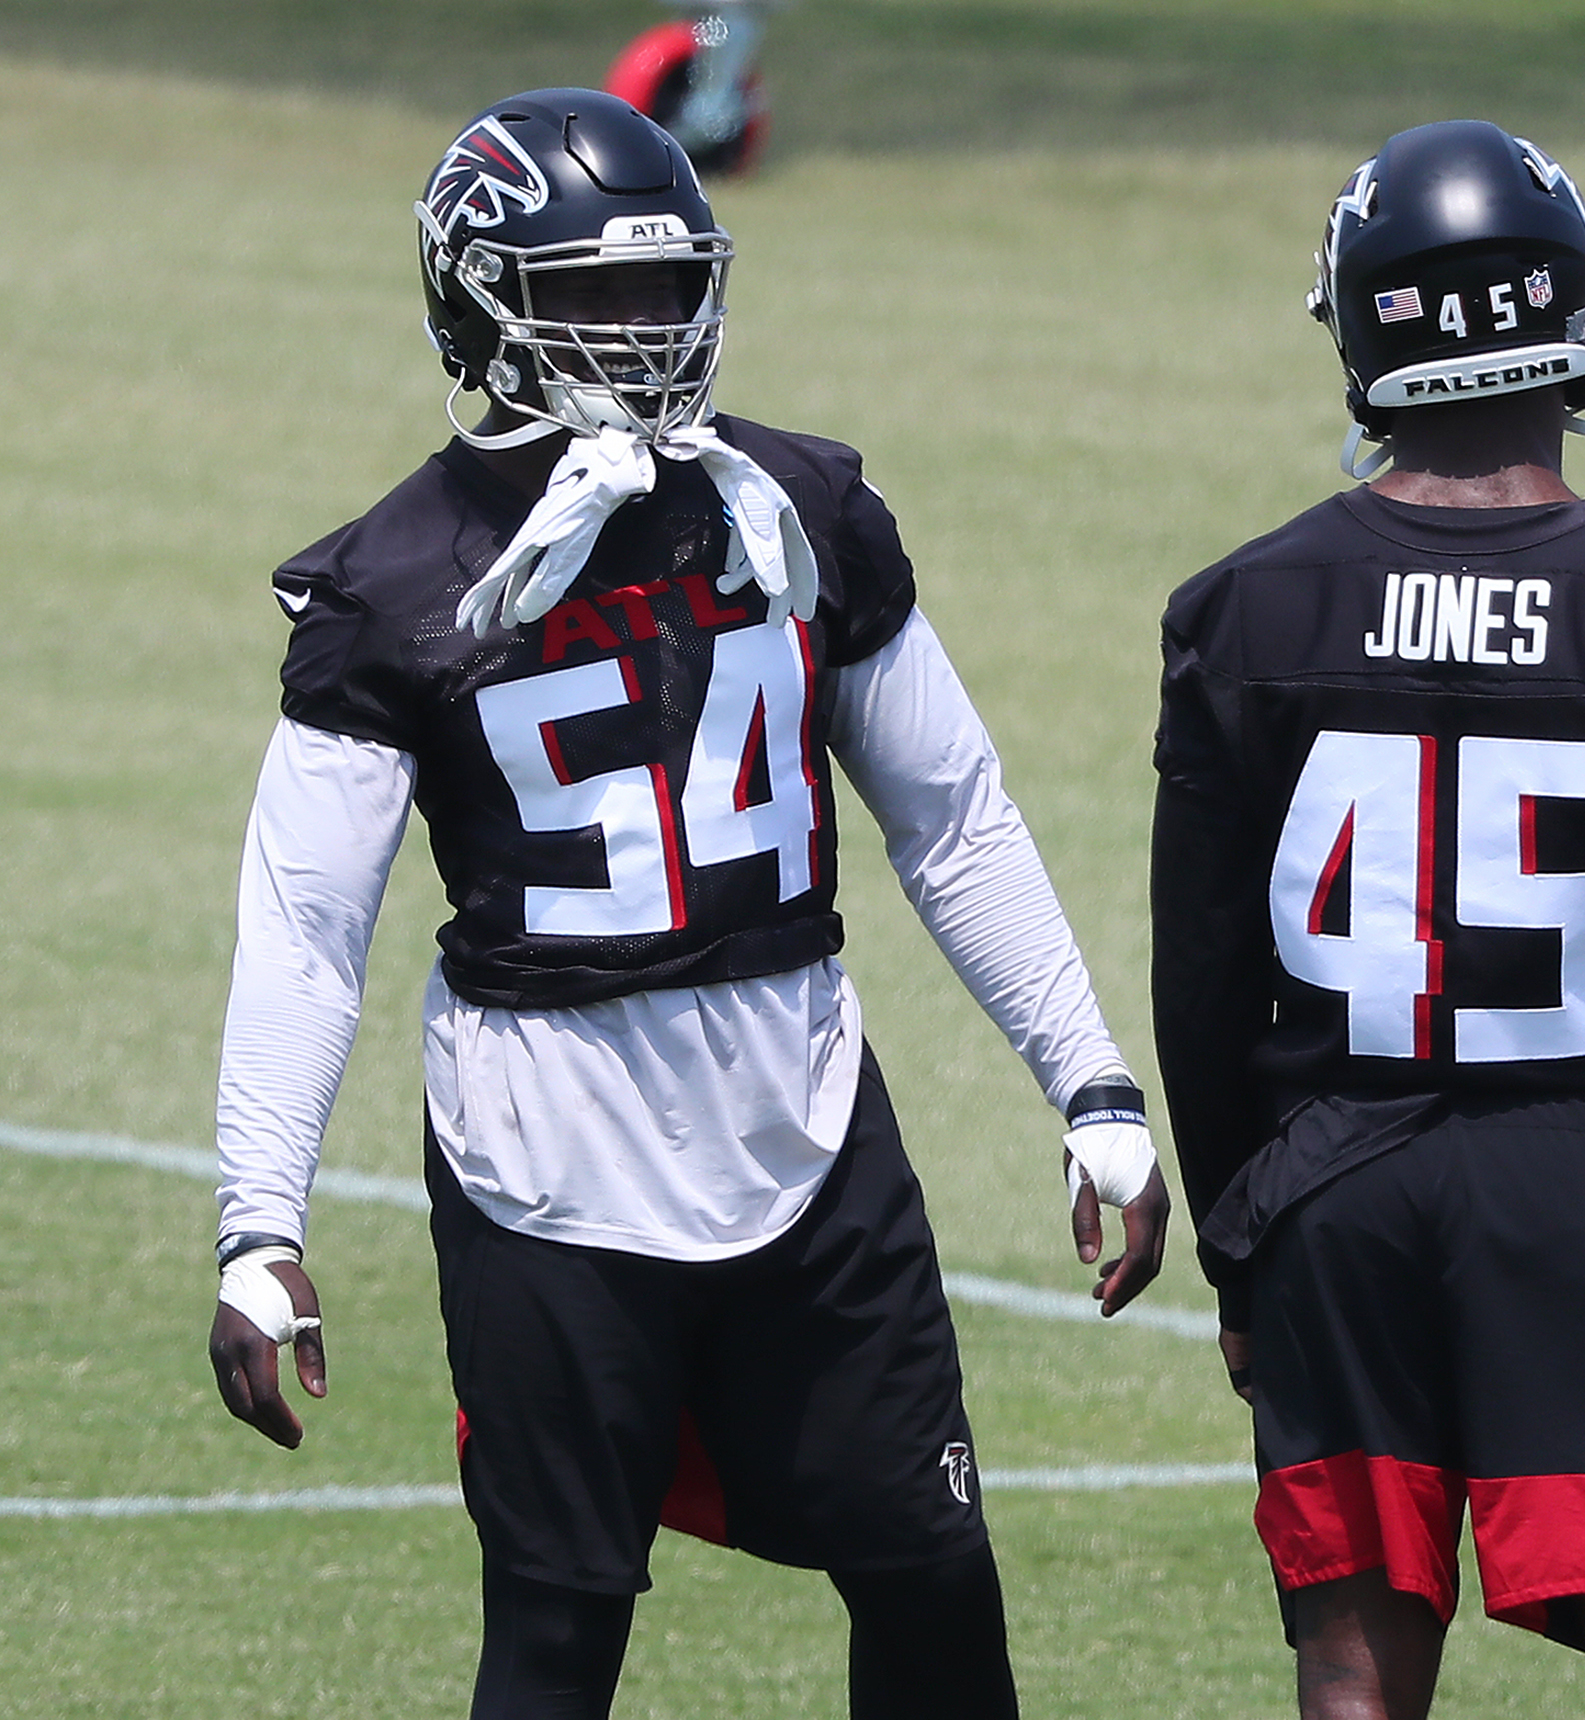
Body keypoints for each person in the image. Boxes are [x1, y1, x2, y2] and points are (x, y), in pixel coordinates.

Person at [206, 86, 1169, 1720]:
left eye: (663, 291)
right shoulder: (389, 584)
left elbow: (954, 816)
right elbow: (306, 929)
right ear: (478, 300)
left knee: (938, 1587)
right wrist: (259, 1219)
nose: (643, 333)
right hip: (543, 1150)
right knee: (561, 1623)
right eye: (589, 295)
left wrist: (1089, 1079)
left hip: (799, 1104)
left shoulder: (796, 506)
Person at [1150, 120, 1585, 1720]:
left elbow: (1203, 976)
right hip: (1581, 1183)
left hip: (1330, 1181)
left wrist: (1240, 1242)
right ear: (1576, 317)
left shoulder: (1245, 610)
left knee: (1354, 1657)